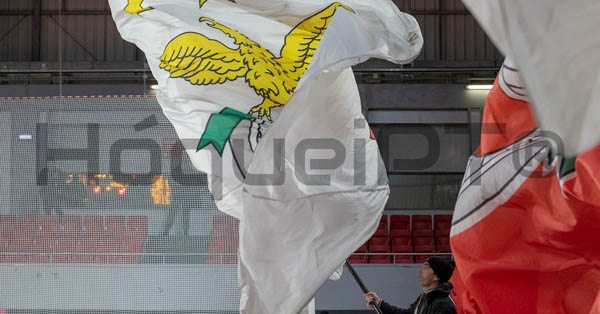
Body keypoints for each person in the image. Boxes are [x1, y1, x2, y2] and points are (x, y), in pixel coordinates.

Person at [364, 257, 457, 314]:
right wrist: (379, 303)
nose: (420, 270)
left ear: (436, 276)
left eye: (425, 267)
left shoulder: (443, 306)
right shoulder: (424, 298)